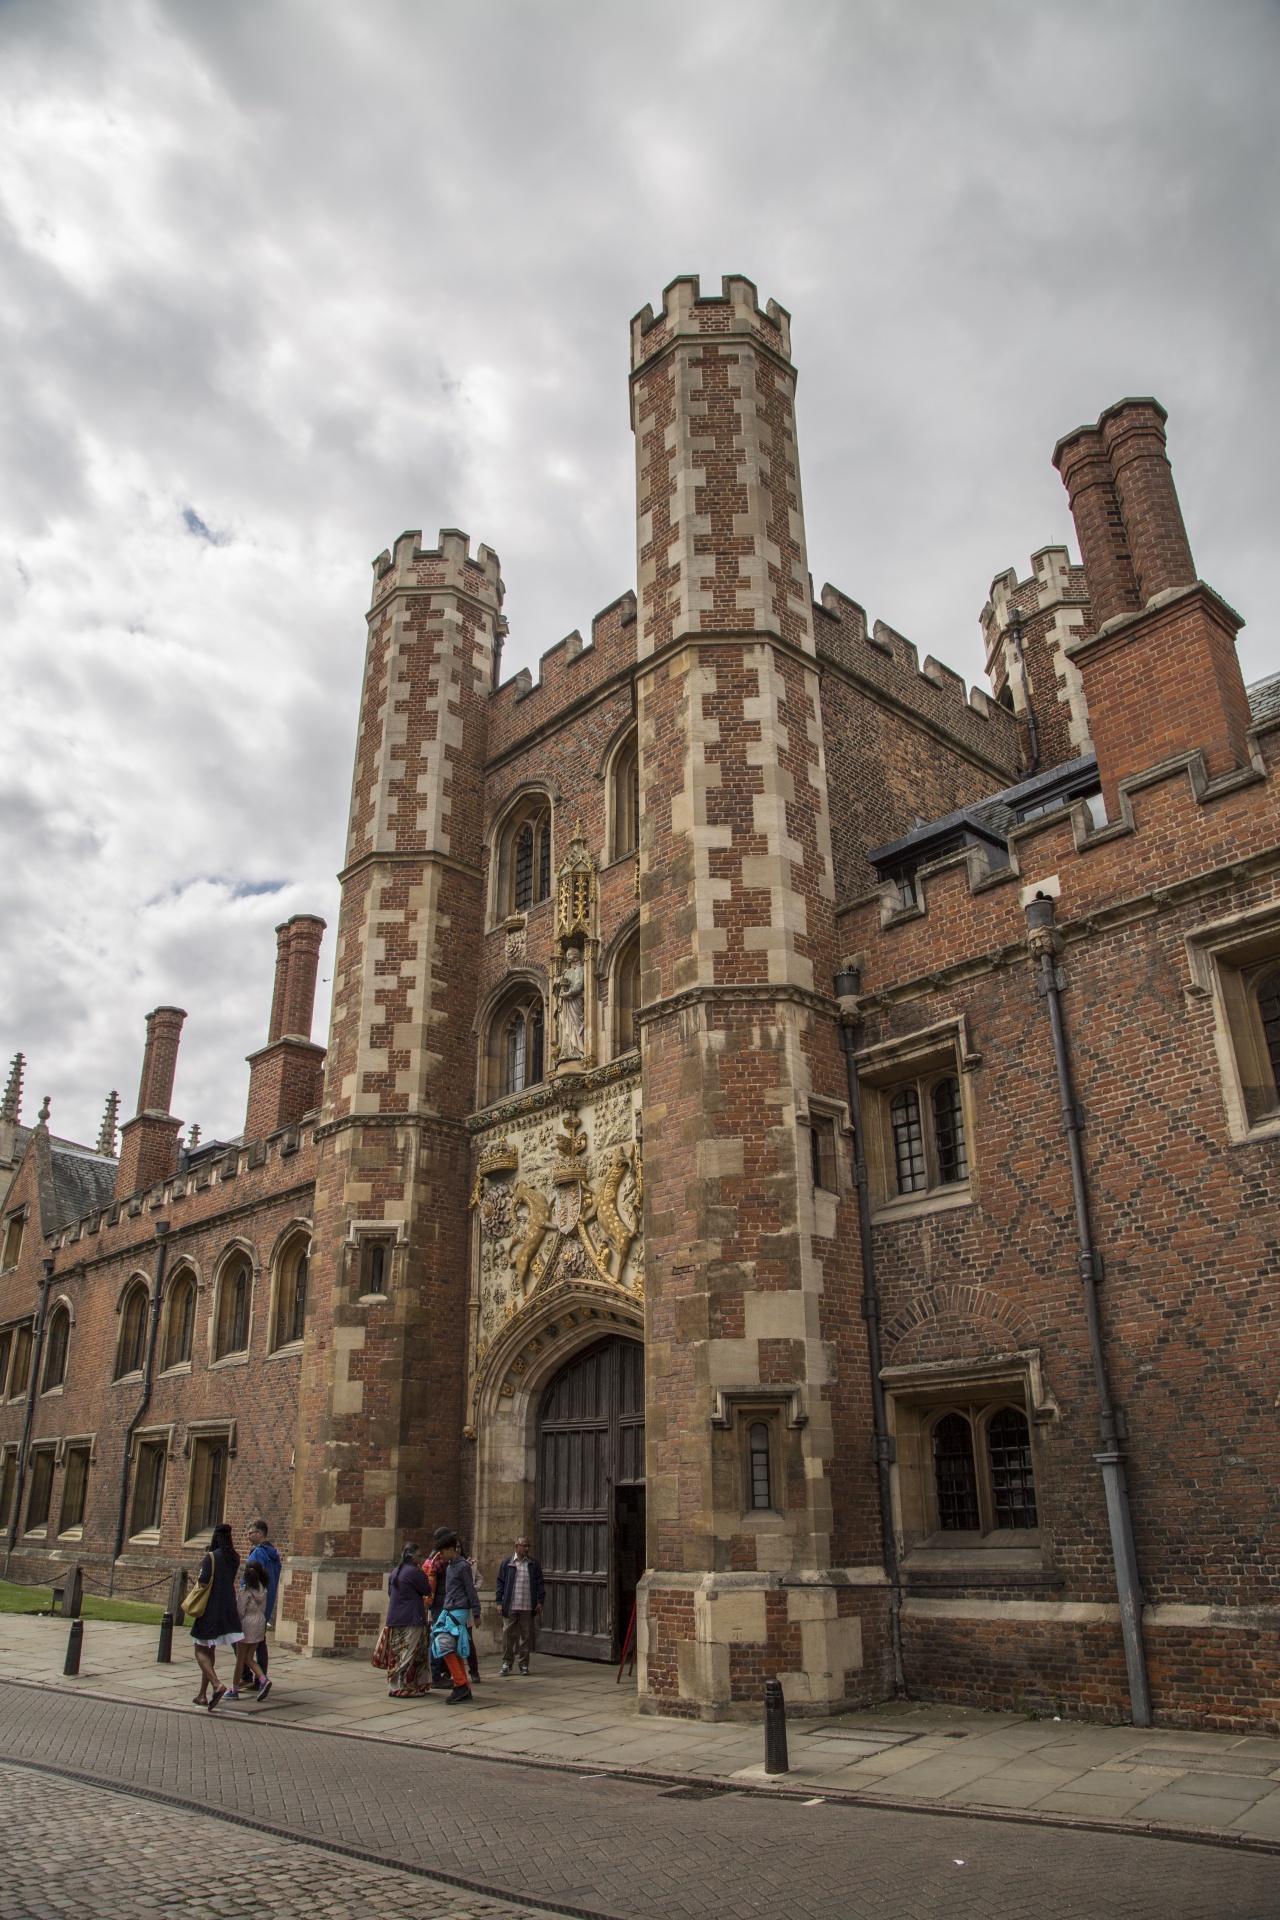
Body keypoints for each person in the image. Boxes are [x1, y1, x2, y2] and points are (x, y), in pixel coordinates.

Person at [190, 1521, 243, 1710]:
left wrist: (202, 1568)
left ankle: (216, 1684)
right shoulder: (235, 1558)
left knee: (199, 1649)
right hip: (227, 1608)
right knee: (209, 1650)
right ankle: (202, 1695)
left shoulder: (211, 1557)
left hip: (210, 1609)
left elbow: (204, 1582)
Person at [429, 1531, 481, 1703]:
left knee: (443, 1642)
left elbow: (470, 1589)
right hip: (450, 1608)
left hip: (458, 1610)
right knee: (452, 1646)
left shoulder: (462, 1566)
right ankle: (463, 1685)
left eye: (443, 1552)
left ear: (452, 1550)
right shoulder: (451, 1565)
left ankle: (459, 1684)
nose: (441, 1556)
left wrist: (476, 1612)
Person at [384, 1542, 434, 1698]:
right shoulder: (414, 1572)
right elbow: (427, 1590)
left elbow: (390, 1593)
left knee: (397, 1653)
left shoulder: (395, 1572)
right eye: (419, 1556)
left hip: (395, 1618)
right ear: (412, 1558)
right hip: (412, 1617)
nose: (421, 1558)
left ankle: (394, 1686)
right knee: (410, 1653)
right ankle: (406, 1687)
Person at [495, 1534, 545, 1676]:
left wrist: (540, 1601)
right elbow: (500, 1583)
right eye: (524, 1546)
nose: (526, 1548)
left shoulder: (533, 1564)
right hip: (511, 1604)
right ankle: (507, 1662)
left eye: (528, 1546)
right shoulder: (507, 1563)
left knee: (525, 1636)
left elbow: (540, 1583)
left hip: (527, 1605)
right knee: (508, 1635)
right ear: (516, 1546)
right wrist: (499, 1601)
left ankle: (524, 1664)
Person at [241, 1519, 281, 1683]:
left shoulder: (258, 1553)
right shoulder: (274, 1554)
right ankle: (260, 1679)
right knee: (261, 1641)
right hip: (267, 1601)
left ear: (259, 1534)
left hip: (253, 1605)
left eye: (250, 1533)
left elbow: (250, 1580)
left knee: (239, 1642)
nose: (248, 1536)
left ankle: (246, 1676)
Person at [229, 1563, 272, 1702]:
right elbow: (264, 1607)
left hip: (247, 1624)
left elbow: (240, 1611)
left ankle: (234, 1689)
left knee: (240, 1659)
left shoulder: (245, 1591)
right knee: (249, 1657)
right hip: (260, 1622)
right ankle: (263, 1679)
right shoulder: (263, 1589)